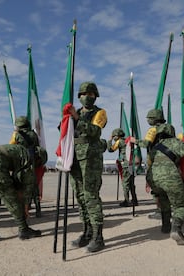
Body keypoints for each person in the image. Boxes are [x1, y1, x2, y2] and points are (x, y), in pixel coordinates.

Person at [133, 123, 184, 245]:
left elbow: (149, 163)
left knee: (163, 200)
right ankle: (176, 229)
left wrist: (147, 182)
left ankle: (165, 226)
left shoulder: (155, 147)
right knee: (180, 206)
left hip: (153, 179)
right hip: (170, 177)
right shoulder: (175, 142)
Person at [0, 144, 44, 243]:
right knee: (11, 198)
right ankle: (24, 229)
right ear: (38, 158)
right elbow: (27, 187)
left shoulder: (22, 151)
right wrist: (25, 206)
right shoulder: (29, 158)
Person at [68, 81, 107, 253]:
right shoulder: (74, 112)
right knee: (80, 196)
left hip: (91, 157)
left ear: (95, 96)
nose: (88, 97)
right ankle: (87, 232)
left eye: (91, 94)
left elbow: (95, 132)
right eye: (85, 94)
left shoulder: (100, 112)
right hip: (74, 157)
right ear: (79, 96)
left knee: (91, 196)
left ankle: (98, 237)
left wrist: (77, 120)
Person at [134, 108, 166, 219]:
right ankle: (166, 211)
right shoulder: (168, 130)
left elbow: (146, 143)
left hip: (155, 163)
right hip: (167, 162)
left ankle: (160, 211)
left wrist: (135, 141)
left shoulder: (153, 130)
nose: (148, 120)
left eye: (149, 118)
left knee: (156, 189)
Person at [9, 116, 42, 217]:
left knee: (20, 186)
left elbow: (11, 147)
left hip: (20, 164)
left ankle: (23, 210)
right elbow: (37, 146)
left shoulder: (17, 135)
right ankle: (38, 209)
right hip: (31, 163)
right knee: (34, 186)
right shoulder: (34, 134)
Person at [107, 128, 138, 207]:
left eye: (114, 136)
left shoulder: (119, 141)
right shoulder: (128, 141)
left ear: (117, 136)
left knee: (125, 184)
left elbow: (110, 149)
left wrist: (109, 141)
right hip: (131, 164)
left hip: (125, 165)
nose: (113, 138)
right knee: (131, 183)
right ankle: (134, 200)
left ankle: (127, 201)